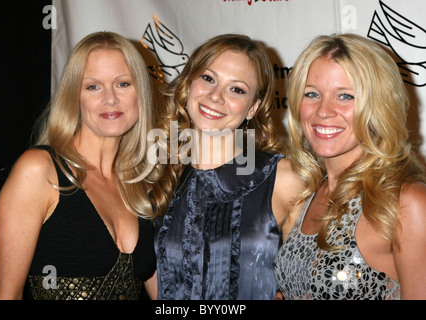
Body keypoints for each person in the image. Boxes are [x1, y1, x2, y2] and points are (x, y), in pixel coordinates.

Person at [0, 31, 160, 300]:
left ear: (140, 92)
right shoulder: (39, 170)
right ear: (74, 96)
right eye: (93, 86)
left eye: (123, 84)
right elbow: (6, 295)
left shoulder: (141, 184)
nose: (110, 99)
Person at [149, 34, 305, 300]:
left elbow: (306, 285)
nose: (215, 96)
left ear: (253, 108)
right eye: (208, 78)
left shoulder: (283, 178)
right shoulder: (158, 179)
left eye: (237, 89)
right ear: (188, 84)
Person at [274, 33, 426, 300]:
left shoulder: (407, 202)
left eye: (345, 96)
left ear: (379, 105)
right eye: (312, 94)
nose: (323, 110)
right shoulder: (307, 193)